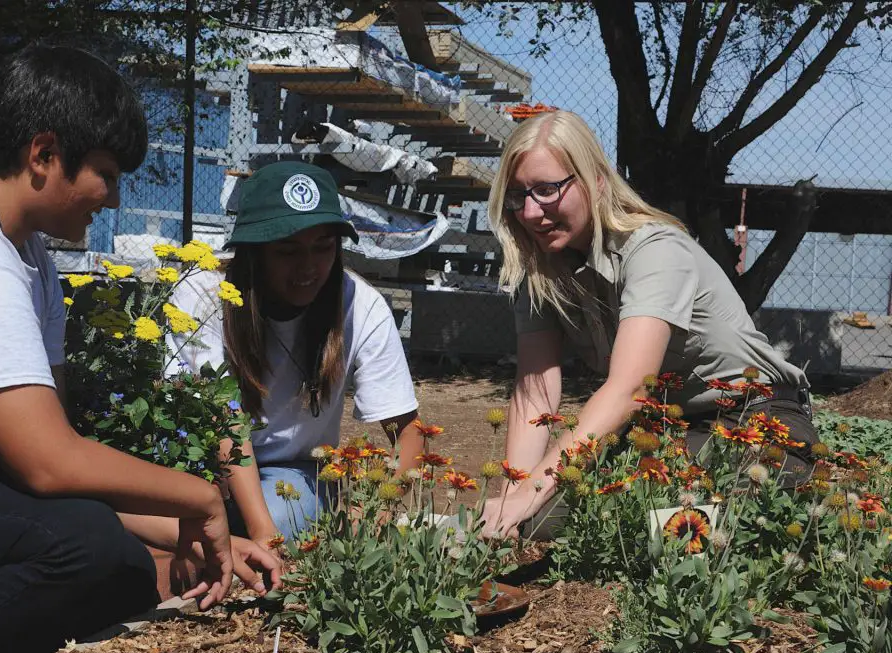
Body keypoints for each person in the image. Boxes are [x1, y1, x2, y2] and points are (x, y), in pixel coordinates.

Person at [0, 44, 278, 653]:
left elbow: (44, 461)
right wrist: (201, 499)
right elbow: (48, 464)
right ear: (42, 155)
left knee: (113, 563)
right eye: (106, 174)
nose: (111, 199)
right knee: (86, 547)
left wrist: (184, 532)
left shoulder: (25, 256)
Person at [478, 109, 818, 539]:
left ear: (596, 181)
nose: (529, 212)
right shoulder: (539, 271)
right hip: (666, 428)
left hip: (757, 417)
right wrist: (515, 495)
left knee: (669, 523)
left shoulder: (654, 250)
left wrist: (533, 491)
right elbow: (535, 393)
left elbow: (630, 389)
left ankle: (795, 515)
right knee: (541, 524)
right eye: (518, 196)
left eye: (546, 190)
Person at [167, 161, 423, 544]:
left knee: (281, 515)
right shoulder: (204, 296)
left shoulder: (360, 304)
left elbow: (408, 432)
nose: (309, 267)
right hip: (203, 467)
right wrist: (261, 533)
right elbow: (225, 422)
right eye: (288, 251)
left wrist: (373, 512)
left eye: (323, 247)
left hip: (292, 472)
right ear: (254, 253)